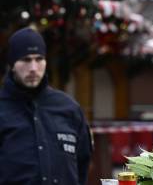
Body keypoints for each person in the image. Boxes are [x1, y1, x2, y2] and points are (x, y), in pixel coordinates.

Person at [0, 27, 93, 185]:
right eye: (26, 60)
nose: (33, 68)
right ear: (12, 64)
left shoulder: (69, 108)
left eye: (39, 59)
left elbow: (83, 163)